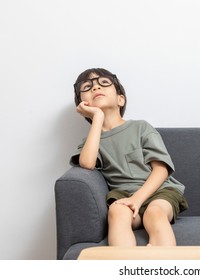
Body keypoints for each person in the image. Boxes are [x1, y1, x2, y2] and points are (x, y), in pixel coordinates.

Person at [70, 68, 188, 247]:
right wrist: (97, 118)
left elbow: (161, 169)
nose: (95, 88)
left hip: (159, 191)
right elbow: (87, 163)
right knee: (117, 211)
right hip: (123, 195)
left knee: (154, 213)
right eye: (87, 87)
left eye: (103, 83)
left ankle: (163, 263)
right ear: (83, 106)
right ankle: (125, 265)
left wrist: (138, 199)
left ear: (120, 99)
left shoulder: (141, 127)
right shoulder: (91, 141)